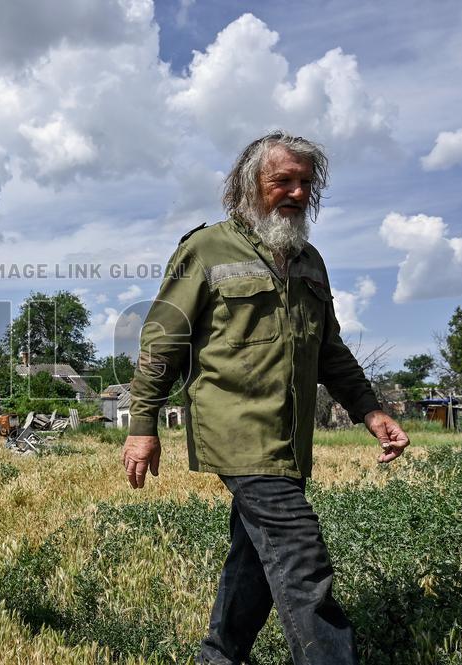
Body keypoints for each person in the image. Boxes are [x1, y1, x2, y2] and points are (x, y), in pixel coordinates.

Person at [121, 130, 410, 665]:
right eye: (283, 180)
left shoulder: (310, 260)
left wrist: (370, 411)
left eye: (306, 183)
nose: (297, 192)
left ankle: (218, 657)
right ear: (248, 184)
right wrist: (142, 426)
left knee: (254, 558)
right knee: (301, 555)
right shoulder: (205, 249)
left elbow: (330, 350)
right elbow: (163, 341)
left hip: (290, 440)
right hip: (235, 429)